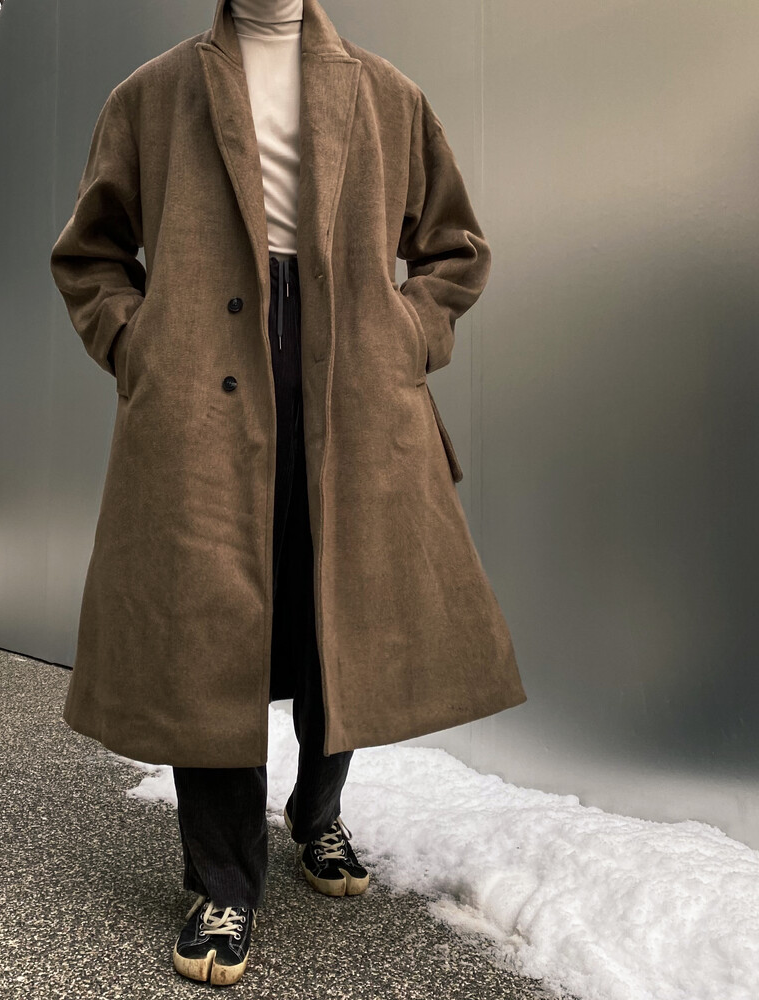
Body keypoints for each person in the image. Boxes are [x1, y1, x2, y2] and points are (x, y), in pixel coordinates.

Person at [50, 0, 527, 987]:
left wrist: (406, 333)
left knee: (333, 613)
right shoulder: (152, 94)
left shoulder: (388, 95)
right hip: (199, 386)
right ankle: (221, 880)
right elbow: (89, 255)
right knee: (206, 630)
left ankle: (318, 812)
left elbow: (455, 249)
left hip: (349, 383)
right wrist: (139, 347)